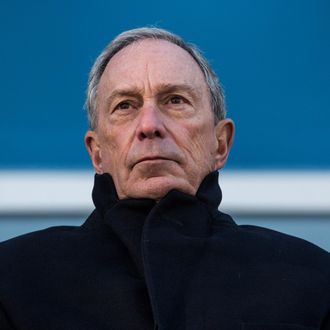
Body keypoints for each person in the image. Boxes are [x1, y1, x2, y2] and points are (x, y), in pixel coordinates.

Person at [0, 27, 329, 330]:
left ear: (221, 143)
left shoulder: (314, 282)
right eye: (126, 105)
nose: (149, 125)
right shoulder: (12, 279)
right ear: (97, 152)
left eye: (175, 101)